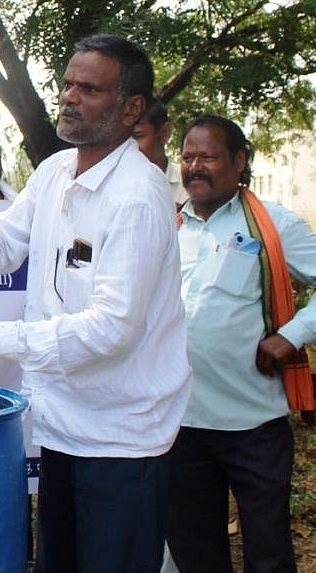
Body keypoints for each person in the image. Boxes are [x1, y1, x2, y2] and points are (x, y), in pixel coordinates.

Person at [0, 34, 191, 570]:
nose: (69, 97)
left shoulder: (138, 197)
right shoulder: (53, 173)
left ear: (130, 109)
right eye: (68, 84)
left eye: (89, 89)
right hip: (63, 425)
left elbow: (110, 330)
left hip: (121, 438)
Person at [166, 115, 316, 571]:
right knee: (196, 551)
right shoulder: (169, 227)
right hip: (181, 423)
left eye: (208, 156)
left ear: (239, 161)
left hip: (254, 423)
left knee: (268, 553)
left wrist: (290, 337)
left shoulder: (273, 223)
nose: (195, 167)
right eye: (188, 157)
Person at [133, 98, 189, 207]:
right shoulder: (110, 185)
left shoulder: (190, 185)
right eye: (122, 140)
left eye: (137, 136)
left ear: (165, 133)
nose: (128, 147)